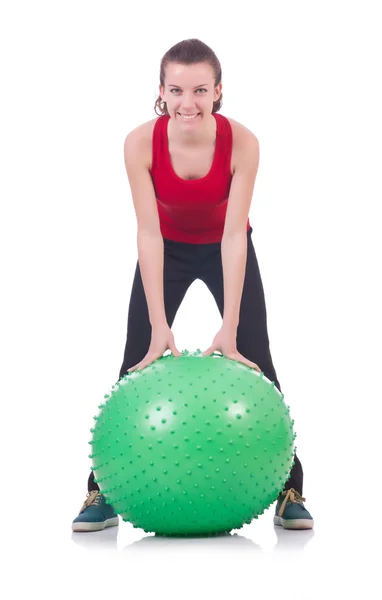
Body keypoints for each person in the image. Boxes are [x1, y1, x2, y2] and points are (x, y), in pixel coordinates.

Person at [72, 38, 314, 533]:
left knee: (257, 357)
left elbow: (233, 232)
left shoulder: (242, 142)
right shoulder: (140, 142)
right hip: (166, 246)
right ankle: (102, 489)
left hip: (225, 244)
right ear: (161, 91)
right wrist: (161, 326)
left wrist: (230, 326)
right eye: (177, 90)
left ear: (218, 90)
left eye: (200, 89)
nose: (188, 102)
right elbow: (146, 231)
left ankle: (291, 488)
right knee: (136, 357)